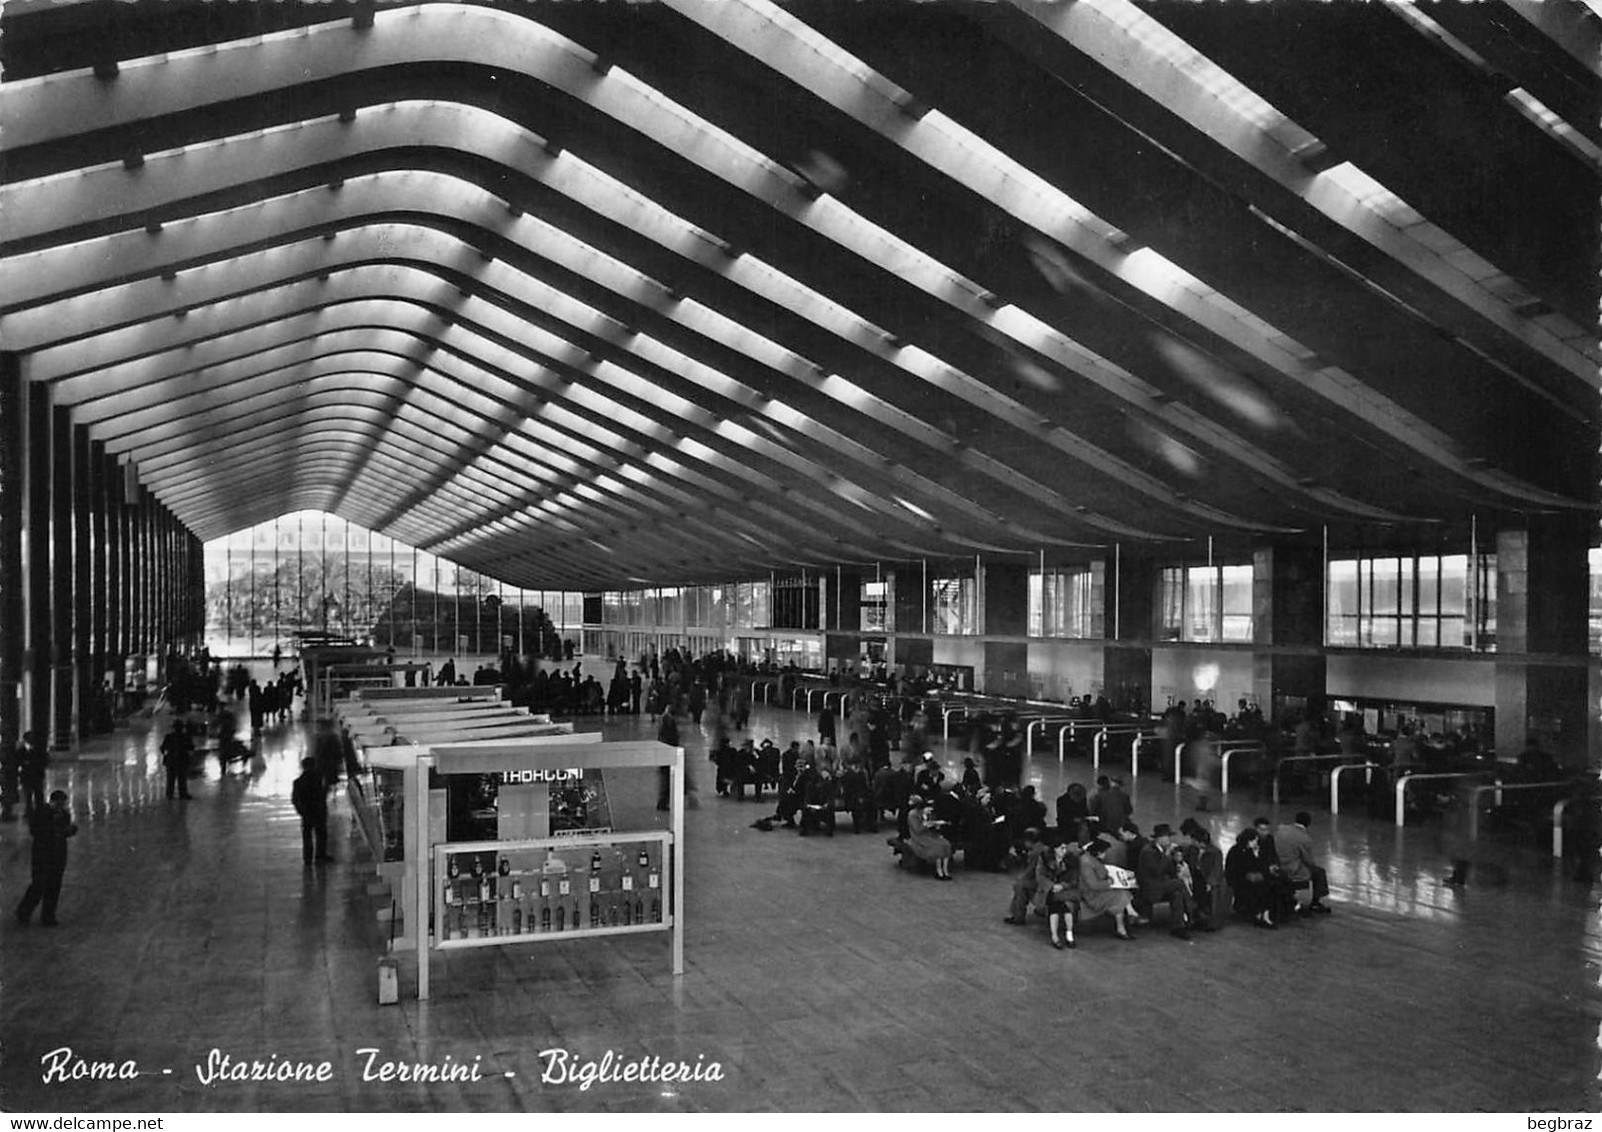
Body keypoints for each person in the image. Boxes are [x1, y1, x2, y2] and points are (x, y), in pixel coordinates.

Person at [15, 789, 77, 926]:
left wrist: (68, 831)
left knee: (53, 887)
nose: (61, 807)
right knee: (39, 885)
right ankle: (24, 912)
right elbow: (36, 831)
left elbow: (63, 831)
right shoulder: (42, 814)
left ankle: (48, 916)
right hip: (43, 855)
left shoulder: (63, 815)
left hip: (57, 855)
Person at [1136, 824, 1196, 938]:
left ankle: (1179, 926)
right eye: (1167, 837)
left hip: (1160, 884)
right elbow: (1157, 871)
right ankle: (1192, 912)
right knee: (1180, 884)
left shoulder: (1160, 851)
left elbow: (1170, 870)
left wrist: (1176, 864)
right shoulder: (1148, 852)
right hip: (1151, 887)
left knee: (1177, 893)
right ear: (1160, 838)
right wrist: (1167, 856)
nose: (1169, 840)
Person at [1275, 811, 1334, 914]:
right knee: (1319, 872)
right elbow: (1309, 861)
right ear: (1308, 824)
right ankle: (1315, 903)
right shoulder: (1305, 839)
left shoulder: (1281, 829)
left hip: (1276, 866)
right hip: (1291, 870)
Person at [1077, 838, 1135, 941]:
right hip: (1093, 895)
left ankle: (1122, 927)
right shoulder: (1086, 863)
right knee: (1122, 894)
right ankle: (1127, 918)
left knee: (1120, 896)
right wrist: (1109, 883)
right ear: (1098, 852)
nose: (1105, 855)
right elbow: (1093, 885)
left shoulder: (1090, 859)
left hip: (1101, 890)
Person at [1038, 841, 1081, 949]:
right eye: (1061, 848)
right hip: (1049, 890)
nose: (1064, 850)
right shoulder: (1044, 861)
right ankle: (1067, 935)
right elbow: (1040, 877)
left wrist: (1062, 885)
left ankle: (1057, 936)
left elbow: (1074, 880)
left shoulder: (1072, 861)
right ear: (1054, 850)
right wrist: (1052, 886)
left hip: (1065, 891)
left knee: (1061, 906)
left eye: (1065, 848)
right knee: (1058, 905)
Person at [291, 757, 331, 866]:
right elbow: (324, 792)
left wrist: (301, 811)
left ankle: (308, 858)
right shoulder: (319, 778)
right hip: (319, 811)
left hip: (307, 813)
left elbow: (295, 799)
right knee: (321, 834)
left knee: (307, 836)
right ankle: (320, 856)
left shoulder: (298, 782)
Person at [1005, 827, 1048, 926]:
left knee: (1019, 886)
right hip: (1045, 880)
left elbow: (1031, 871)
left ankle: (1017, 916)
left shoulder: (1035, 852)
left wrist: (1020, 878)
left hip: (1041, 882)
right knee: (1021, 884)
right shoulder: (1041, 848)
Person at [904, 795, 953, 880]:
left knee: (946, 844)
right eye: (929, 808)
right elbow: (917, 830)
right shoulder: (913, 815)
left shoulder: (929, 814)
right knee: (937, 847)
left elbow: (933, 827)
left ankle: (945, 870)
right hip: (919, 837)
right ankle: (939, 871)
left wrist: (937, 825)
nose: (931, 810)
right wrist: (928, 824)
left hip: (930, 835)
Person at [16, 731, 47, 816]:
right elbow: (18, 761)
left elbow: (44, 761)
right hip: (26, 776)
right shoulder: (20, 751)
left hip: (37, 775)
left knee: (39, 794)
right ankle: (28, 811)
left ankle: (40, 811)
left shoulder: (39, 750)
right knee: (28, 795)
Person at [160, 724, 194, 800]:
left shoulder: (169, 737)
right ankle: (183, 794)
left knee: (170, 778)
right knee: (182, 778)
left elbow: (162, 748)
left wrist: (167, 753)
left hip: (171, 761)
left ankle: (170, 794)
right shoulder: (186, 737)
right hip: (182, 760)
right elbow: (191, 747)